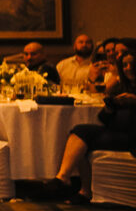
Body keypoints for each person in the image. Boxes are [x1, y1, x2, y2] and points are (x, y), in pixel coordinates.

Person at [54, 51, 135, 201]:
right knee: (79, 131)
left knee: (85, 137)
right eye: (124, 65)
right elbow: (104, 119)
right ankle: (64, 178)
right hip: (117, 131)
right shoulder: (121, 87)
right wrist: (110, 108)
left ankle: (80, 189)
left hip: (131, 135)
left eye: (132, 64)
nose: (128, 68)